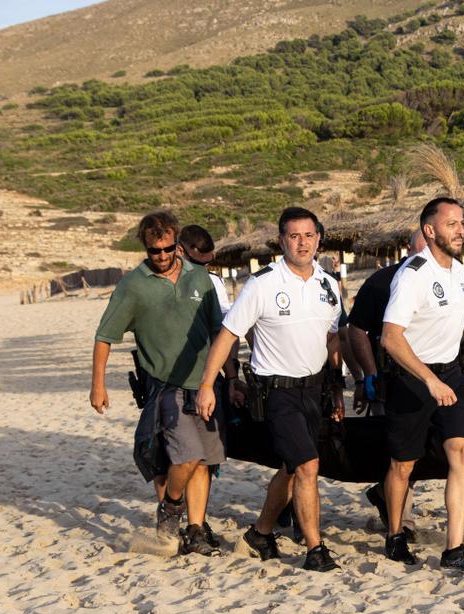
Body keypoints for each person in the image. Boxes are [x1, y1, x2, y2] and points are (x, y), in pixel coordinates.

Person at [195, 206, 346, 573]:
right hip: (277, 392)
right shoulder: (263, 284)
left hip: (315, 390)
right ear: (281, 241)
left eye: (309, 235)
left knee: (293, 469)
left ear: (319, 239)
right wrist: (208, 385)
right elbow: (228, 334)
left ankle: (261, 533)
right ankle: (315, 549)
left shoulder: (329, 284)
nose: (302, 243)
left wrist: (337, 387)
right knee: (308, 466)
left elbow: (333, 339)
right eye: (294, 236)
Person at [90, 210, 227, 556]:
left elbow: (219, 331)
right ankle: (170, 509)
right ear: (146, 248)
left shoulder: (200, 278)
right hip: (165, 385)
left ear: (177, 243)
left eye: (168, 249)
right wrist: (98, 385)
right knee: (185, 456)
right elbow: (105, 336)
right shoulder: (133, 285)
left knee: (204, 461)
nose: (162, 256)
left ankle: (195, 530)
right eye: (155, 251)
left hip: (205, 383)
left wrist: (230, 375)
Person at [380, 197, 464, 572]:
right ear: (430, 231)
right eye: (451, 224)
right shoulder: (413, 274)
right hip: (412, 377)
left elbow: (459, 324)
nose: (461, 230)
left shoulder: (459, 272)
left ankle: (454, 548)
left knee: (462, 453)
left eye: (462, 223)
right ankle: (395, 536)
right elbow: (391, 337)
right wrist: (427, 380)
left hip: (451, 375)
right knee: (403, 465)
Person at [347, 230, 428, 539]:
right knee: (398, 452)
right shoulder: (382, 282)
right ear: (408, 250)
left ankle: (385, 494)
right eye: (421, 250)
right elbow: (356, 330)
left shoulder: (447, 279)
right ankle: (402, 522)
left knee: (418, 452)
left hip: (434, 379)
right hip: (391, 378)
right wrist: (368, 374)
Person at [177, 224, 231, 314]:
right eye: (199, 264)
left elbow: (223, 312)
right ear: (180, 251)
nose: (203, 269)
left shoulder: (213, 281)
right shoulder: (160, 280)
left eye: (207, 263)